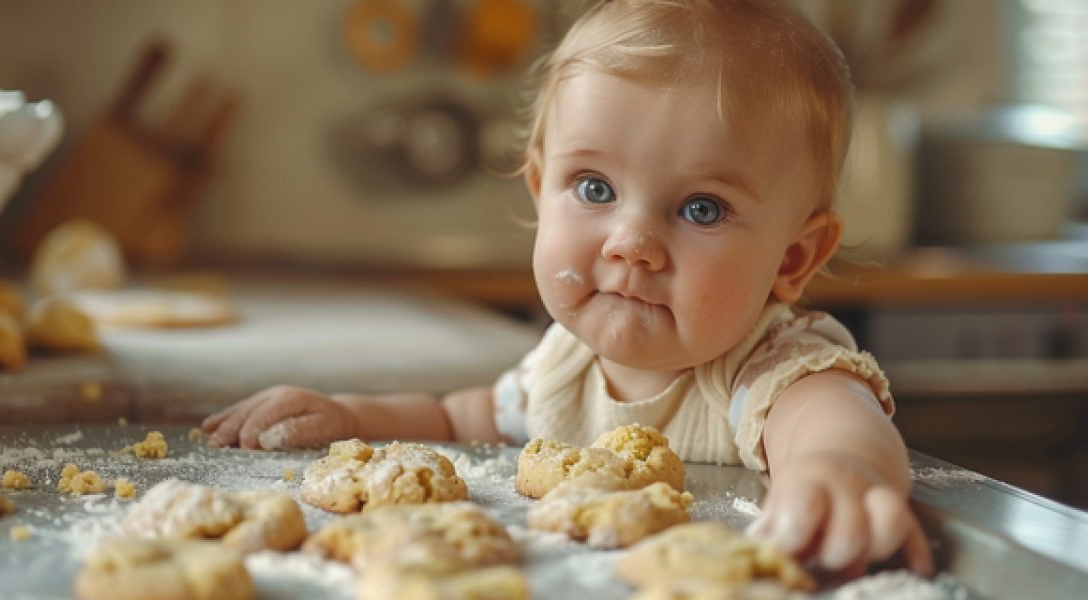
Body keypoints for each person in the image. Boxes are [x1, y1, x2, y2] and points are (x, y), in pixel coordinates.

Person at [203, 0, 932, 576]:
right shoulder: (563, 366)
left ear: (792, 259)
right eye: (594, 187)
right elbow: (462, 420)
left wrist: (841, 470)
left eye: (701, 208)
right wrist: (350, 415)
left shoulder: (765, 371)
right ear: (539, 190)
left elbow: (834, 422)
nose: (633, 244)